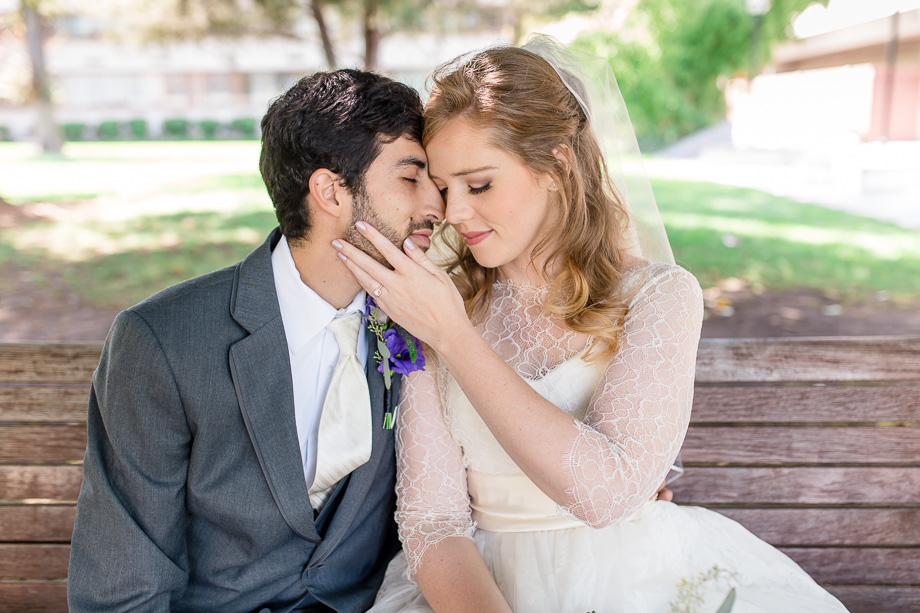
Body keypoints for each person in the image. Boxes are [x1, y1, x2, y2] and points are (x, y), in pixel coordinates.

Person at [332, 40, 849, 612]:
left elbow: (608, 494)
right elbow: (433, 520)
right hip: (476, 587)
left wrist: (456, 337)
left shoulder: (660, 296)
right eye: (445, 188)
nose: (455, 213)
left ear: (557, 164)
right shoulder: (440, 301)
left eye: (479, 185)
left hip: (634, 579)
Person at [67, 69, 444, 612]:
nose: (437, 205)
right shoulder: (163, 342)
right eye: (412, 179)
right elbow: (124, 588)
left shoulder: (418, 323)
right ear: (330, 191)